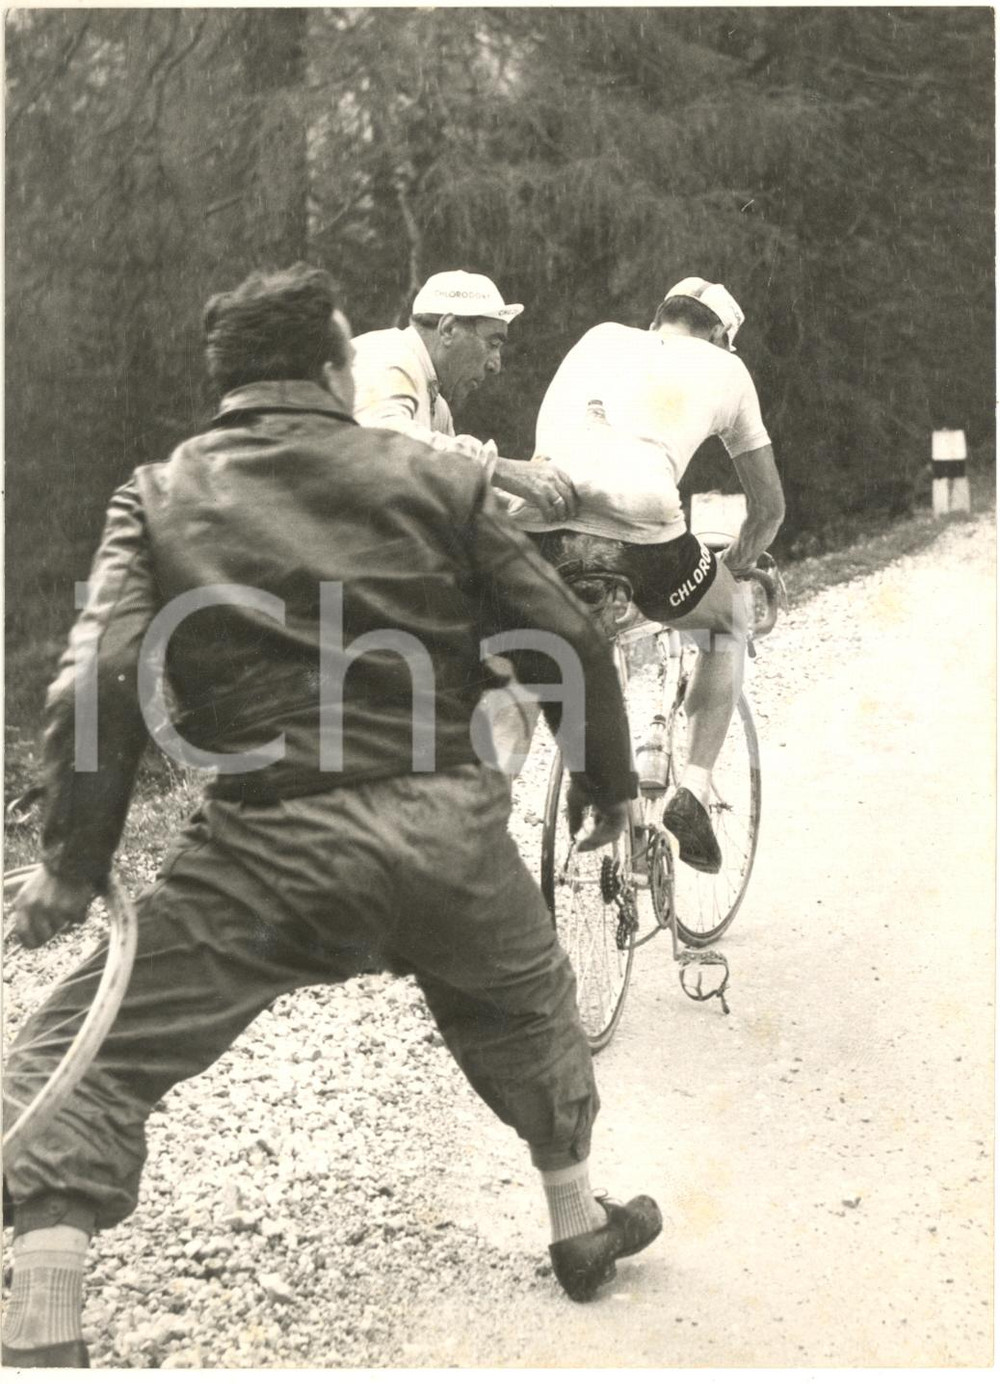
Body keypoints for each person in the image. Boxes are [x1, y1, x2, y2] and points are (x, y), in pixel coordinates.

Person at [1, 265, 661, 1367]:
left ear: (223, 388)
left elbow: (97, 677)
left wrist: (72, 862)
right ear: (331, 368)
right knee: (523, 999)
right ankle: (577, 1224)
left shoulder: (157, 493)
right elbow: (570, 640)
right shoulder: (436, 481)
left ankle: (43, 1332)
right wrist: (609, 789)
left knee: (80, 1054)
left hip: (266, 854)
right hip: (446, 834)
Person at [508, 277, 785, 873]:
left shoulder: (599, 337)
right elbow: (768, 509)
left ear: (661, 316)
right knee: (727, 623)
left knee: (569, 646)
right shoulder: (725, 369)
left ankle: (616, 815)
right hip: (643, 524)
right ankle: (694, 791)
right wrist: (734, 566)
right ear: (718, 334)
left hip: (540, 515)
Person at [351, 269, 578, 524]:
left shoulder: (436, 400)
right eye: (493, 343)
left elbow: (459, 487)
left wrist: (529, 494)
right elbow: (383, 440)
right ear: (448, 329)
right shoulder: (386, 354)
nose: (495, 365)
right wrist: (505, 470)